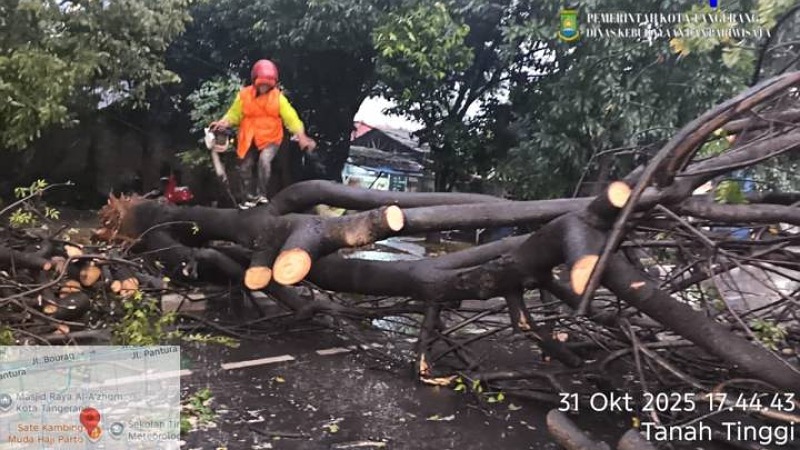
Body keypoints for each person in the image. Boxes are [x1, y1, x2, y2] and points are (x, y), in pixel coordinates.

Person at [211, 59, 316, 208]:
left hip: (271, 138)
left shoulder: (278, 98)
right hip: (249, 137)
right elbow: (234, 114)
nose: (264, 87)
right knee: (245, 167)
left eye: (267, 84)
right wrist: (223, 122)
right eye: (261, 84)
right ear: (255, 81)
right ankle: (247, 198)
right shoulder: (244, 95)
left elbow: (292, 119)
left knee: (264, 161)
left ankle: (262, 195)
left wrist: (302, 136)